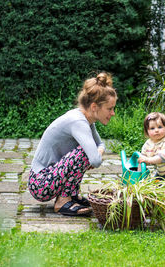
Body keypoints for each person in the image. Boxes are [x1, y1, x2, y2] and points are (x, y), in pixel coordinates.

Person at [28, 72, 117, 216]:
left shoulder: (86, 118)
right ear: (94, 107)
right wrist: (94, 154)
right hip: (40, 183)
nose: (112, 113)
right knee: (83, 153)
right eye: (109, 108)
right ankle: (63, 201)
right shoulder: (78, 122)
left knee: (86, 152)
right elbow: (95, 159)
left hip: (50, 178)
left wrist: (96, 153)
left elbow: (100, 145)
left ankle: (71, 195)